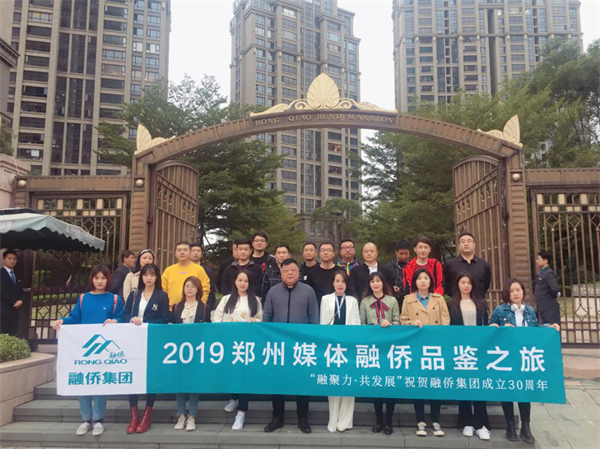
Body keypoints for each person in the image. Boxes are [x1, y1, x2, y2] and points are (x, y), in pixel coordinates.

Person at [50, 266, 123, 437]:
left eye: (103, 278)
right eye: (96, 278)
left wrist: (116, 321)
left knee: (100, 383)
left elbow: (122, 318)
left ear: (108, 280)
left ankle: (98, 420)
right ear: (92, 279)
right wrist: (61, 321)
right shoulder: (84, 298)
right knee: (82, 383)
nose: (100, 281)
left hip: (104, 349)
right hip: (83, 349)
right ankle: (85, 419)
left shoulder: (114, 299)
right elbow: (74, 318)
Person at [490, 278, 560, 444]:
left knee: (524, 390)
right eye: (512, 290)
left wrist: (549, 327)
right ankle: (510, 425)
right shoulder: (500, 310)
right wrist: (499, 328)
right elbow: (491, 329)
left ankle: (526, 426)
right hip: (506, 357)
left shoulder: (529, 310)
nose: (515, 293)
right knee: (507, 390)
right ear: (507, 293)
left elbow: (535, 330)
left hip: (524, 357)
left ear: (523, 292)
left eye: (518, 290)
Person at [263, 259, 319, 434]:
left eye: (293, 270)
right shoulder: (273, 292)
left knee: (302, 382)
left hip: (301, 346)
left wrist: (310, 342)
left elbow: (314, 320)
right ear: (281, 272)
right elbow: (266, 320)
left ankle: (303, 418)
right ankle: (277, 418)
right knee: (277, 382)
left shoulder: (308, 291)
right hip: (278, 346)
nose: (289, 273)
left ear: (298, 272)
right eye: (286, 270)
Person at [401, 268, 450, 437]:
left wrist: (440, 337)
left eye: (426, 278)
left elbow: (445, 320)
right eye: (419, 278)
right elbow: (402, 320)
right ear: (414, 281)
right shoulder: (408, 300)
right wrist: (411, 323)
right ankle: (420, 421)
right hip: (416, 346)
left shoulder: (439, 299)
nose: (423, 281)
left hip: (435, 346)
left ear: (431, 281)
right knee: (418, 383)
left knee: (435, 383)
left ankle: (435, 420)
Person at [122, 263, 170, 434]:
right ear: (141, 277)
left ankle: (147, 415)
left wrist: (144, 323)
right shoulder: (134, 295)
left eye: (152, 275)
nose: (149, 278)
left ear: (157, 277)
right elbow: (124, 315)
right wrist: (132, 319)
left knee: (151, 376)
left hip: (152, 340)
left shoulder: (162, 296)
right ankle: (134, 416)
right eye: (146, 275)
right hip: (134, 341)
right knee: (133, 376)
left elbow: (164, 319)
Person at [214, 270, 263, 431]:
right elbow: (217, 319)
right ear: (235, 281)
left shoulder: (255, 301)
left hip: (247, 346)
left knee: (245, 376)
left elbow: (261, 320)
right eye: (240, 280)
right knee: (231, 373)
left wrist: (255, 321)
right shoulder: (226, 299)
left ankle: (242, 412)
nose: (242, 283)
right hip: (229, 344)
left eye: (246, 281)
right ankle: (234, 398)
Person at [448, 272, 491, 441]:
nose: (466, 285)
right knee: (463, 385)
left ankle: (481, 424)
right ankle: (466, 422)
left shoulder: (481, 303)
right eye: (463, 282)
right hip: (460, 350)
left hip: (478, 349)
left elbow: (485, 325)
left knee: (479, 386)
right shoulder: (451, 304)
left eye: (469, 282)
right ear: (457, 285)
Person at [359, 272, 400, 435]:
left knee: (389, 384)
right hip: (372, 348)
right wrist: (369, 329)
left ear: (383, 283)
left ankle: (389, 422)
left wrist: (390, 324)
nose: (375, 284)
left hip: (389, 348)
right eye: (372, 282)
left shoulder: (392, 301)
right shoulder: (365, 302)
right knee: (376, 384)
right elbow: (361, 323)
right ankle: (379, 421)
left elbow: (398, 321)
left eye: (378, 281)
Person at [321, 270, 360, 433]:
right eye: (337, 281)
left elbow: (357, 324)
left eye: (343, 281)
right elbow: (322, 323)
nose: (340, 284)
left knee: (348, 382)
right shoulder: (325, 299)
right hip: (332, 347)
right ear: (332, 283)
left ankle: (345, 420)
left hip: (348, 347)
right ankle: (333, 419)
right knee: (333, 382)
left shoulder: (352, 301)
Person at [172, 276, 208, 431]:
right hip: (178, 350)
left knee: (194, 382)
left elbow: (208, 328)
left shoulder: (203, 307)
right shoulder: (177, 306)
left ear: (198, 289)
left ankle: (192, 416)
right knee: (179, 382)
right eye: (187, 286)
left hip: (197, 350)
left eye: (193, 286)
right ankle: (181, 415)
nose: (189, 289)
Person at [162, 241, 210, 309]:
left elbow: (205, 289)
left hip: (193, 309)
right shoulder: (168, 270)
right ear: (175, 253)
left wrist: (200, 305)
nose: (182, 252)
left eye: (185, 250)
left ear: (190, 252)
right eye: (179, 250)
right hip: (171, 309)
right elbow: (163, 290)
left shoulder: (199, 269)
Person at [443, 232, 491, 300]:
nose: (466, 244)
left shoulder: (483, 264)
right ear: (459, 245)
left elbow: (486, 284)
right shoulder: (450, 264)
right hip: (457, 302)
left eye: (469, 241)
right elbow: (447, 285)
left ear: (474, 244)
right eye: (463, 242)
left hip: (478, 302)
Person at [190, 242, 217, 322]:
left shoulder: (208, 271)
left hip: (202, 306)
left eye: (198, 251)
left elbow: (211, 293)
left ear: (201, 254)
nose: (196, 253)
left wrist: (206, 308)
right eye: (193, 250)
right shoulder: (183, 269)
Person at [534, 250, 561, 325]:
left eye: (538, 259)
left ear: (545, 261)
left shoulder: (548, 273)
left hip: (549, 307)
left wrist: (548, 298)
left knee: (551, 327)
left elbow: (555, 288)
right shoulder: (541, 273)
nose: (536, 261)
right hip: (542, 306)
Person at [1, 250, 24, 336]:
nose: (12, 261)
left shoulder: (18, 273)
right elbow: (2, 291)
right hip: (3, 309)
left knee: (13, 332)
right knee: (3, 332)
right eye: (9, 259)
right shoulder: (1, 273)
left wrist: (21, 300)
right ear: (4, 259)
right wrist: (13, 301)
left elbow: (21, 288)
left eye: (14, 259)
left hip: (16, 310)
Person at [384, 240, 411, 309]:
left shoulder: (414, 265)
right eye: (401, 253)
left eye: (406, 253)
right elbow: (385, 284)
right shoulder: (388, 267)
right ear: (396, 252)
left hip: (411, 300)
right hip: (394, 301)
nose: (404, 256)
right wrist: (392, 288)